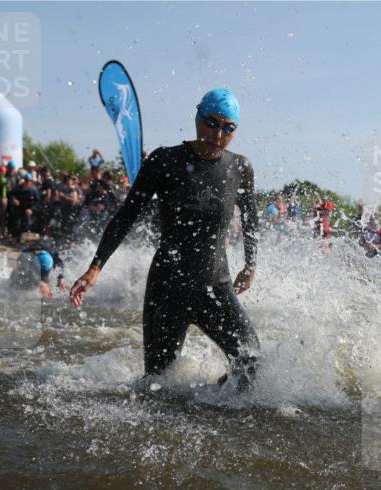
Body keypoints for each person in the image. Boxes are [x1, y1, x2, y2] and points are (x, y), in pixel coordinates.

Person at [70, 88, 260, 391]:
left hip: (216, 285)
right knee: (157, 385)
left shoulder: (240, 168)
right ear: (197, 119)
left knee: (251, 361)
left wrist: (250, 265)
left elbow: (251, 219)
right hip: (168, 287)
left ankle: (209, 402)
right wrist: (95, 267)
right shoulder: (166, 160)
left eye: (228, 127)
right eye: (211, 123)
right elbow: (126, 215)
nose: (218, 134)